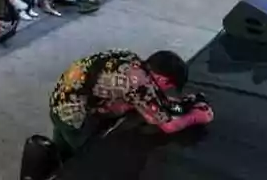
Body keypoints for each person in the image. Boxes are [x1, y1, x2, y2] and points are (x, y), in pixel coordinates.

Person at [48, 50, 213, 156]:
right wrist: (196, 116)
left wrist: (181, 103)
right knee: (88, 157)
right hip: (72, 114)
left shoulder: (132, 61)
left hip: (62, 96)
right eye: (168, 86)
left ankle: (51, 164)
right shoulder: (139, 82)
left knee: (60, 147)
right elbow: (168, 126)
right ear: (162, 78)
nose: (165, 90)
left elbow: (142, 96)